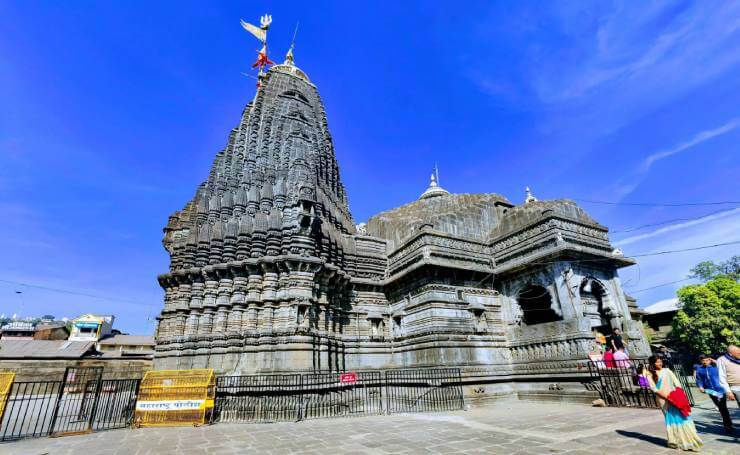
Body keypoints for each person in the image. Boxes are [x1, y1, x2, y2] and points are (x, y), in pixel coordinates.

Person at [643, 355, 702, 451]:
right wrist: (667, 398)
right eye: (657, 362)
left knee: (682, 418)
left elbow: (677, 383)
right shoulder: (649, 374)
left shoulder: (667, 371)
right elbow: (654, 389)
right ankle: (676, 441)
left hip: (675, 397)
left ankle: (689, 441)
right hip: (663, 400)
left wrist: (678, 394)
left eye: (660, 361)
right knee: (671, 420)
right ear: (652, 363)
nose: (659, 363)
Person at [695, 354, 734, 433]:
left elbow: (725, 369)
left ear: (710, 360)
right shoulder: (699, 370)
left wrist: (715, 362)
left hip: (720, 390)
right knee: (720, 407)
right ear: (700, 361)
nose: (705, 362)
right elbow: (699, 380)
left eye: (706, 360)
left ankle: (728, 424)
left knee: (723, 407)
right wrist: (700, 386)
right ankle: (727, 422)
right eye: (703, 361)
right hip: (710, 391)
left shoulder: (716, 367)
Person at [717, 344, 740, 409]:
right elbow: (721, 377)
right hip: (736, 388)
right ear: (730, 354)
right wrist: (728, 391)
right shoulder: (722, 360)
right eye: (738, 353)